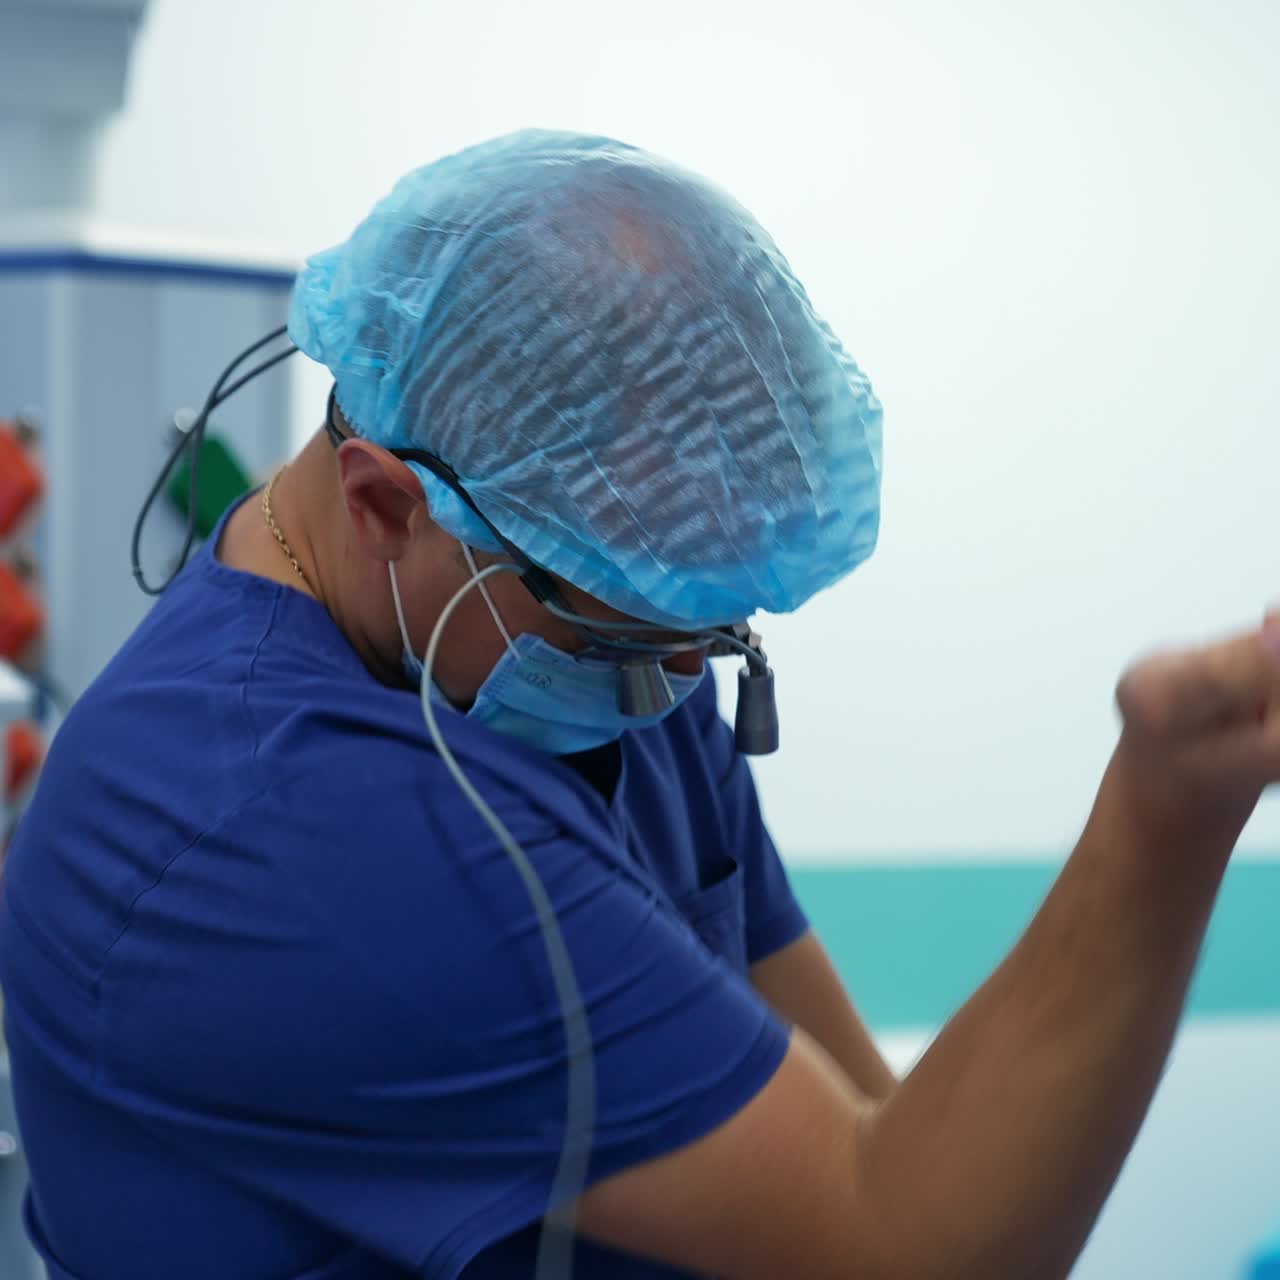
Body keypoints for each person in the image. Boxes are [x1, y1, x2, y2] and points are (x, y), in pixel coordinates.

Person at [0, 129, 1277, 1280]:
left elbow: (878, 1134)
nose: (671, 690)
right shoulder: (289, 828)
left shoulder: (568, 656)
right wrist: (1169, 802)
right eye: (624, 629)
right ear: (385, 501)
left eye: (706, 635)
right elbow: (905, 1249)